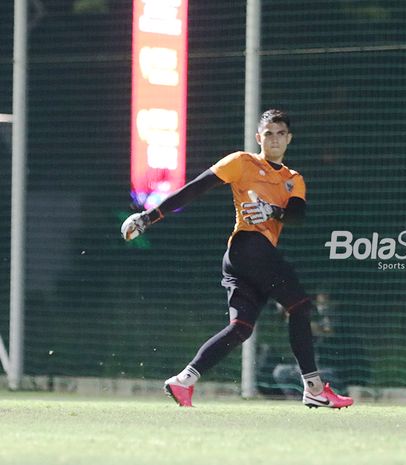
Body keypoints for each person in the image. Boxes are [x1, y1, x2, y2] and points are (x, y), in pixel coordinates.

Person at [120, 109, 353, 409]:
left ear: (289, 139)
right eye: (268, 133)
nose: (275, 139)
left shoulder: (294, 180)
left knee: (241, 327)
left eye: (281, 133)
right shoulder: (241, 162)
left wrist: (273, 211)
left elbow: (297, 217)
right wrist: (148, 217)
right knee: (300, 307)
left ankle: (184, 381)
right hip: (247, 248)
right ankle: (314, 389)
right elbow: (196, 188)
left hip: (246, 258)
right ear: (259, 137)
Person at [272, 292, 345, 399]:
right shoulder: (283, 329)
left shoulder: (313, 319)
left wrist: (310, 327)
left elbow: (327, 332)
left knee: (308, 378)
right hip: (298, 368)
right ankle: (295, 399)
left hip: (322, 368)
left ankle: (322, 397)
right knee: (280, 372)